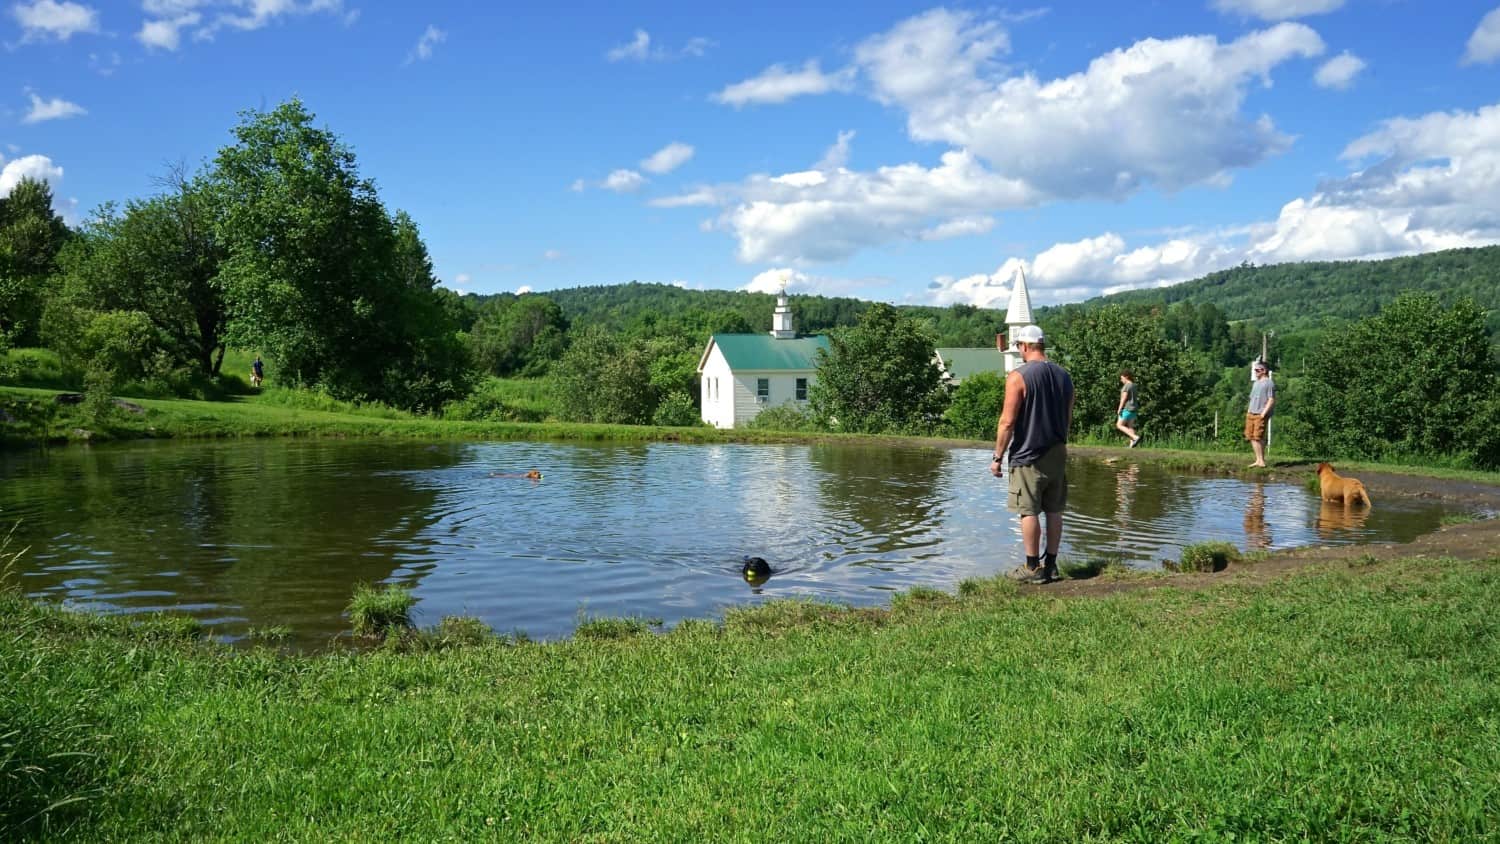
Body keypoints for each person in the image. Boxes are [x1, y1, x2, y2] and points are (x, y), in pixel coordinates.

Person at [991, 324, 1074, 584]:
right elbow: (1068, 417)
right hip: (1058, 450)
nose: (1019, 351)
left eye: (1019, 347)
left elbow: (1007, 421)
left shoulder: (1018, 376)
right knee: (1054, 509)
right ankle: (1051, 564)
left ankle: (1032, 568)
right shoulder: (1064, 376)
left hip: (1028, 453)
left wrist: (997, 457)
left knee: (1028, 510)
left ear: (1025, 346)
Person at [1245, 360, 1276, 467]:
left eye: (1258, 370)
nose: (1256, 372)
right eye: (1255, 370)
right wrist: (1248, 411)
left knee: (1258, 437)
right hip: (1251, 413)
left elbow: (1271, 400)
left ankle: (1261, 460)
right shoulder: (1256, 383)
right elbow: (1251, 398)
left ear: (1264, 370)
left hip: (1260, 414)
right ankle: (1258, 460)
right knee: (1251, 436)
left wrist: (1263, 413)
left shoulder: (1269, 383)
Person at [1115, 370, 1141, 448]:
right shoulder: (1134, 385)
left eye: (1122, 378)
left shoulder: (1127, 386)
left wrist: (1119, 408)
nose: (1121, 380)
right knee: (1130, 426)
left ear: (1126, 377)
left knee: (1119, 425)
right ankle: (1131, 445)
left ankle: (1135, 437)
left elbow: (1124, 398)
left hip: (1128, 408)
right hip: (1134, 408)